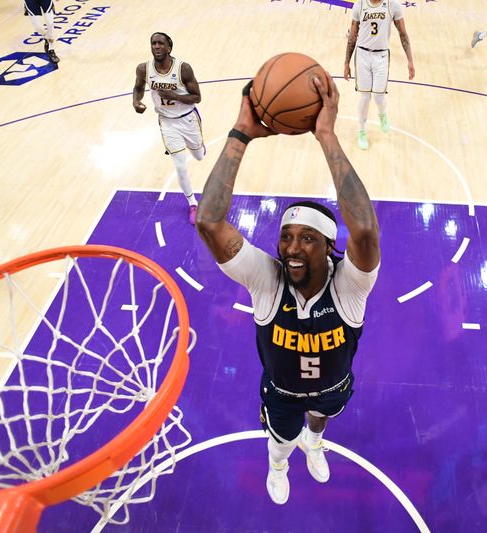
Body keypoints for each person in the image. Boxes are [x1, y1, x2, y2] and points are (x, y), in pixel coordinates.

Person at [195, 74, 381, 504]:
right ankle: (278, 467)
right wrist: (241, 132)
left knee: (319, 422)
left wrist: (327, 136)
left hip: (334, 387)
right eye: (285, 237)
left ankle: (313, 445)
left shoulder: (350, 285)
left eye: (306, 238)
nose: (291, 248)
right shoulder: (267, 277)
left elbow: (366, 232)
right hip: (280, 391)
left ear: (330, 246)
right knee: (280, 439)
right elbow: (208, 222)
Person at [133, 32, 206, 224]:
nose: (156, 46)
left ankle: (197, 146)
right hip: (167, 122)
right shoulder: (144, 69)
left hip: (188, 118)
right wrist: (136, 101)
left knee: (199, 156)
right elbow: (138, 87)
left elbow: (197, 97)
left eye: (160, 43)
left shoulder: (183, 68)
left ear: (169, 48)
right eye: (153, 43)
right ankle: (192, 203)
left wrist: (175, 96)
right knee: (180, 166)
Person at [344, 0, 415, 150]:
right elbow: (352, 36)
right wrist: (346, 63)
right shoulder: (360, 5)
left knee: (378, 96)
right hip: (362, 54)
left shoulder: (392, 5)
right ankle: (361, 131)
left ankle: (382, 114)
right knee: (365, 96)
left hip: (381, 56)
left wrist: (410, 60)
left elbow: (403, 34)